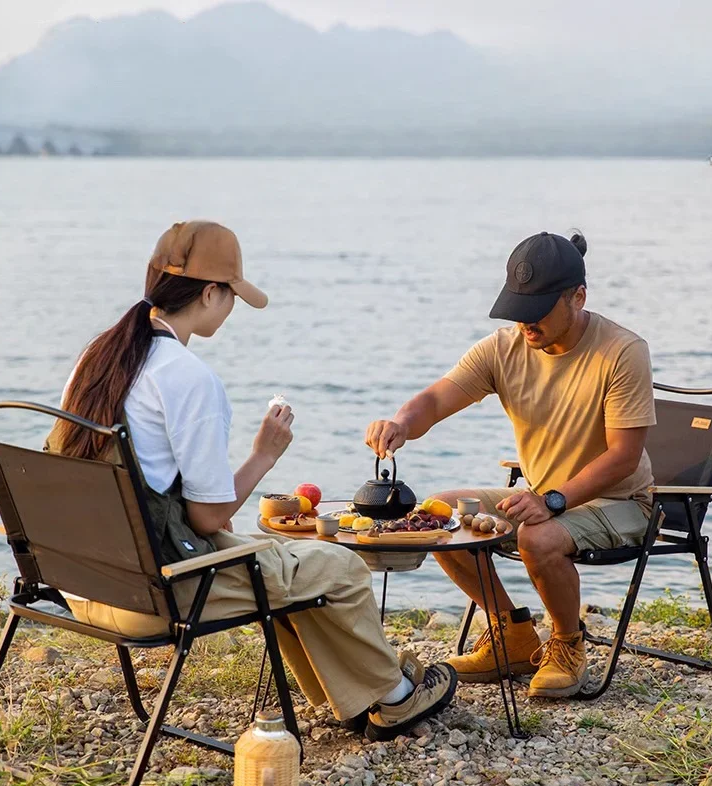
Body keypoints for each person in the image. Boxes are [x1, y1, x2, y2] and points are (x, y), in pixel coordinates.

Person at [47, 220, 457, 740]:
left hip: (85, 582)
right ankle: (395, 699)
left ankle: (353, 694)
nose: (233, 307)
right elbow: (209, 516)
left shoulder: (98, 360)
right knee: (343, 567)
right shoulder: (188, 377)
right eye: (233, 295)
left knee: (288, 561)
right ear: (211, 293)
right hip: (154, 598)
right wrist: (264, 454)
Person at [365, 231, 656, 698]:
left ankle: (566, 645)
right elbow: (437, 398)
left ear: (577, 297)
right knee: (439, 513)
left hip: (619, 501)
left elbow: (622, 457)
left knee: (537, 535)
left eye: (537, 309)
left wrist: (552, 500)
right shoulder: (503, 348)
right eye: (517, 308)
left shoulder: (621, 351)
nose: (525, 322)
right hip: (543, 496)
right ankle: (513, 635)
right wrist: (401, 422)